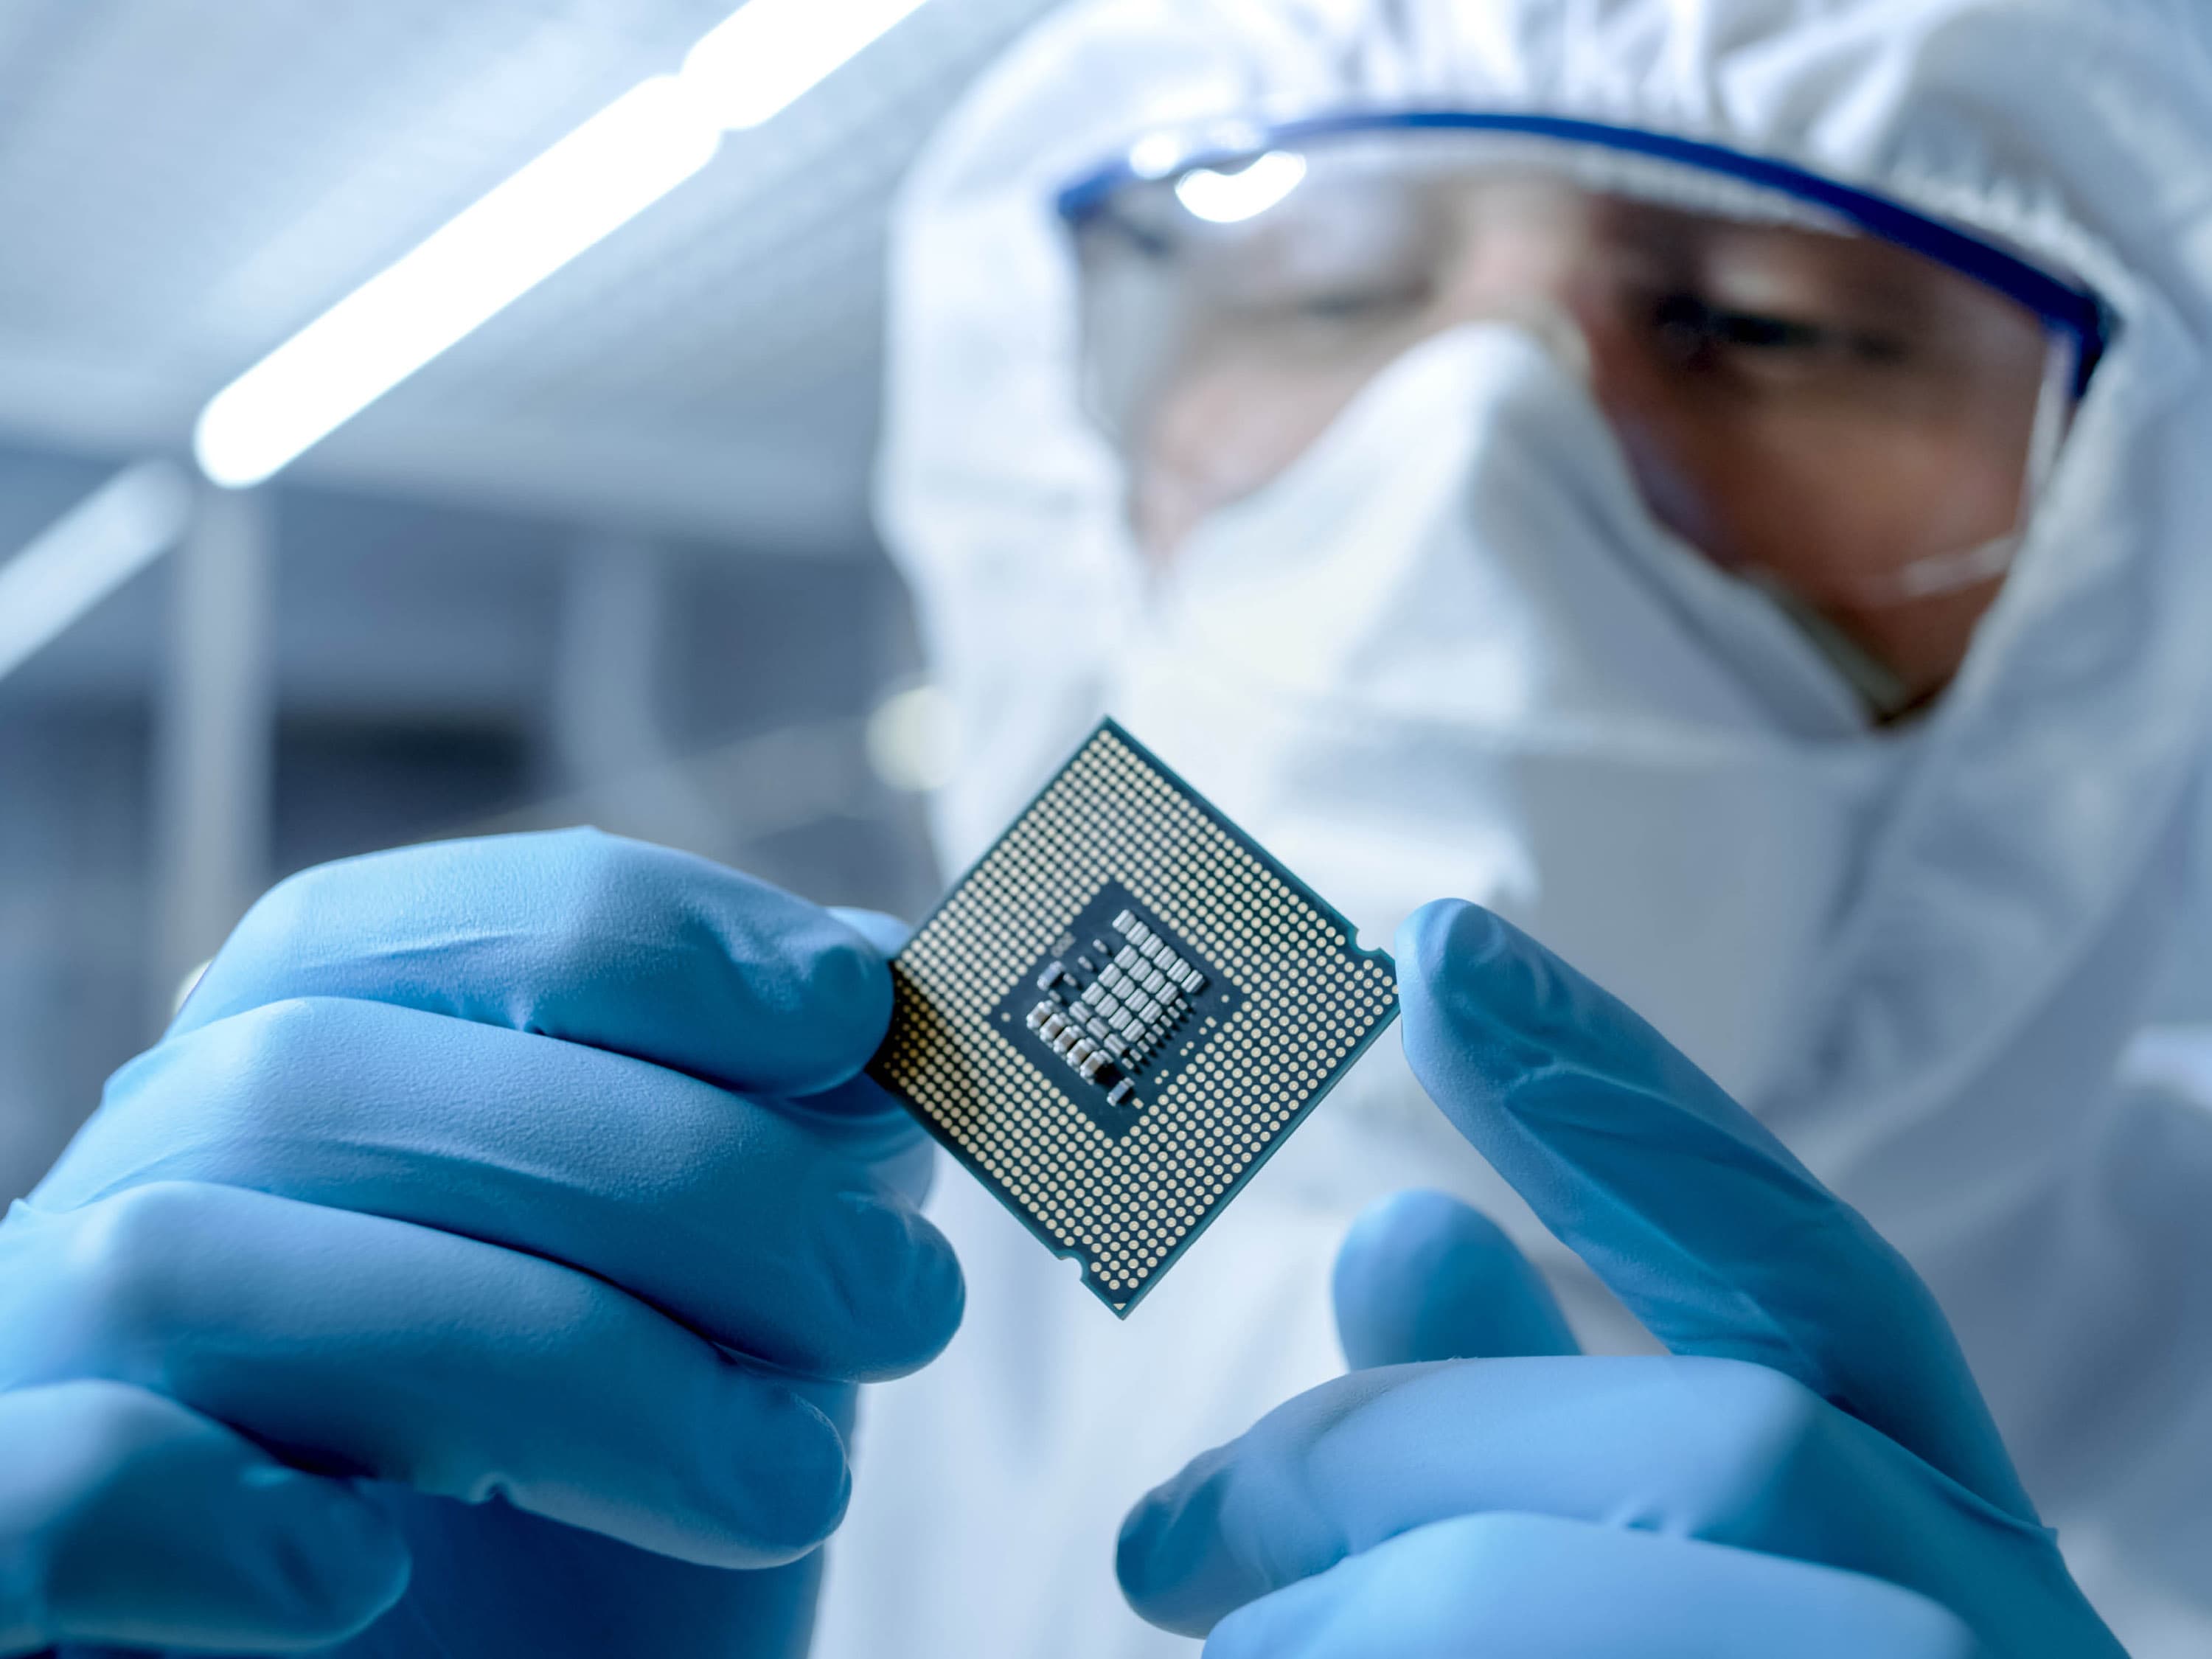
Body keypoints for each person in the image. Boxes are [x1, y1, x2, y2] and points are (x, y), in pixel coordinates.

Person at [1, 0, 2208, 1654]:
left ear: (2128, 532)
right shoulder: (825, 1318)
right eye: (1324, 289)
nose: (1466, 477)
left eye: (1772, 326)